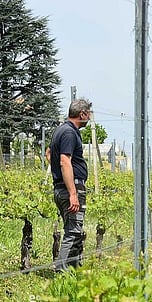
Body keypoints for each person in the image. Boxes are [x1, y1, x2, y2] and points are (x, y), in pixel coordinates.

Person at [47, 98, 91, 271]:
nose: (90, 118)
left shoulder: (61, 130)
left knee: (74, 230)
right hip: (70, 188)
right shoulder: (69, 133)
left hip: (61, 187)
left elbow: (49, 154)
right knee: (73, 232)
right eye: (89, 114)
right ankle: (63, 272)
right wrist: (73, 193)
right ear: (83, 114)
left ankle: (73, 270)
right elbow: (65, 161)